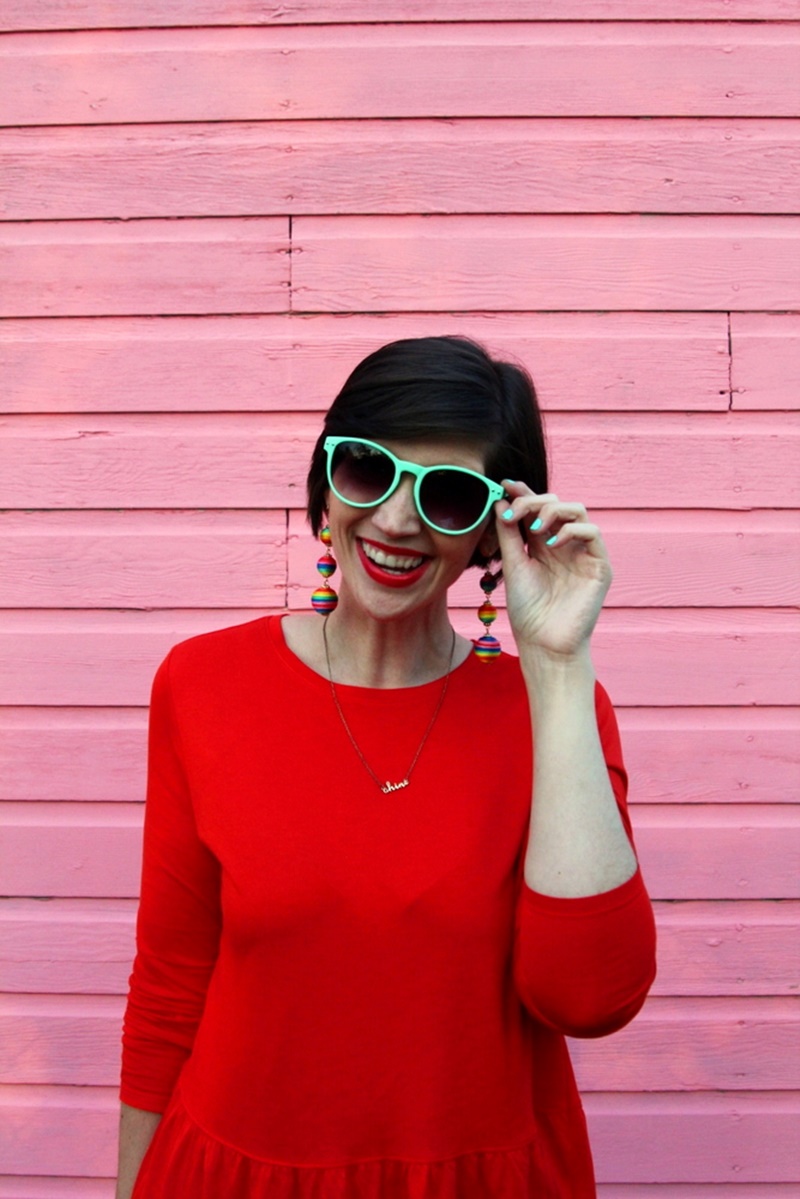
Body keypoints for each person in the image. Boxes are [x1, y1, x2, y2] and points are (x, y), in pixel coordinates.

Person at [117, 335, 656, 1198]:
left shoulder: (557, 710)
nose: (399, 520)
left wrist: (557, 662)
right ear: (326, 480)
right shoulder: (202, 683)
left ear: (495, 526)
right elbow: (171, 986)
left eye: (447, 493)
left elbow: (590, 998)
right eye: (368, 470)